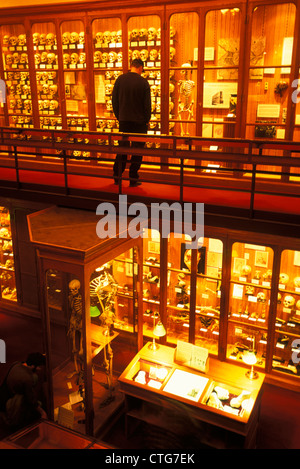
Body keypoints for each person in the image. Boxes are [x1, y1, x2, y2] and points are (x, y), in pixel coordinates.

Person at [112, 58, 151, 187]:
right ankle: (133, 178)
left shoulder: (120, 80)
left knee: (122, 149)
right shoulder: (143, 82)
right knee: (137, 151)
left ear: (131, 66)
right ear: (140, 68)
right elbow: (147, 105)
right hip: (139, 123)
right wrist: (146, 120)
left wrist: (120, 117)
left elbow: (114, 102)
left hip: (124, 121)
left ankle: (117, 176)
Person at [0, 352, 47, 431]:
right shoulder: (27, 379)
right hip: (10, 401)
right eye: (39, 367)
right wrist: (42, 412)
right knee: (38, 405)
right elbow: (31, 400)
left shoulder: (16, 364)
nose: (40, 369)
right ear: (33, 366)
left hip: (4, 393)